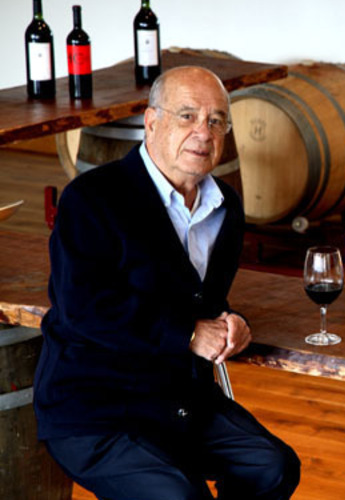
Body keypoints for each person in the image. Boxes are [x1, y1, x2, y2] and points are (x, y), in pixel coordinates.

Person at [34, 66, 300, 500]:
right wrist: (189, 334)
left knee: (272, 466)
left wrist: (232, 322)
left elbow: (200, 300)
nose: (204, 132)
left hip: (179, 399)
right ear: (152, 122)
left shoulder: (225, 207)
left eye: (216, 121)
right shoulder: (92, 198)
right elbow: (83, 310)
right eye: (187, 116)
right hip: (94, 407)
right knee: (181, 495)